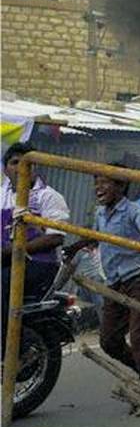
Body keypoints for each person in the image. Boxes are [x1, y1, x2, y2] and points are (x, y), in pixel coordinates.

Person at [94, 164, 140, 410]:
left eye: (105, 182)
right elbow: (97, 238)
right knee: (109, 341)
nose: (99, 187)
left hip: (139, 277)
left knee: (138, 335)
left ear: (121, 185)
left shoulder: (134, 210)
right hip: (114, 280)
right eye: (97, 182)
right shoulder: (100, 214)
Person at [2, 143, 71, 335]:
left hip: (39, 264)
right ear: (6, 169)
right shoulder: (1, 196)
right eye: (15, 163)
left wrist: (13, 250)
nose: (21, 168)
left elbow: (55, 237)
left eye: (28, 164)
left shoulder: (48, 196)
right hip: (7, 261)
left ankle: (4, 344)